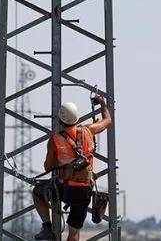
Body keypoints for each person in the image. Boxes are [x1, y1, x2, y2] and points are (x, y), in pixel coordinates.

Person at [32, 95, 112, 241]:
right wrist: (102, 103)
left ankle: (47, 228)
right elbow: (107, 121)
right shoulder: (88, 130)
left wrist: (60, 159)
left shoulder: (55, 140)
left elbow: (47, 166)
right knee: (74, 233)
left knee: (37, 192)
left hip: (65, 190)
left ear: (60, 120)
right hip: (84, 191)